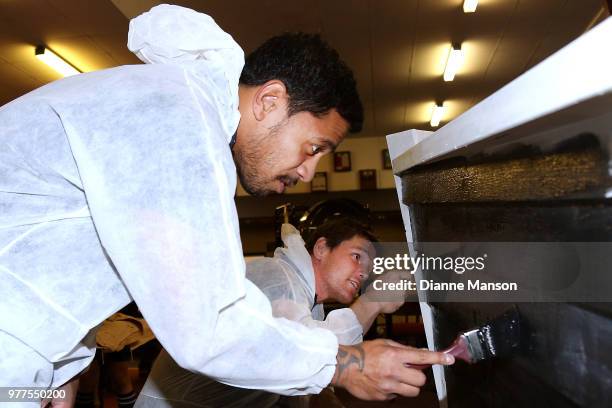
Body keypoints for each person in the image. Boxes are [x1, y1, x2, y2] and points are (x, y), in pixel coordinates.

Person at [0, 4, 453, 406]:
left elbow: (55, 262)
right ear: (270, 101)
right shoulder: (180, 121)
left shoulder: (176, 109)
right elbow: (207, 328)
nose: (307, 173)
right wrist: (345, 363)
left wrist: (61, 367)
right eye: (313, 147)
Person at [136, 219, 403, 408]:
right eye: (357, 257)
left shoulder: (306, 297)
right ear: (321, 248)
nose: (363, 272)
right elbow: (301, 353)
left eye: (369, 267)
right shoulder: (276, 279)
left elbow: (299, 381)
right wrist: (372, 302)